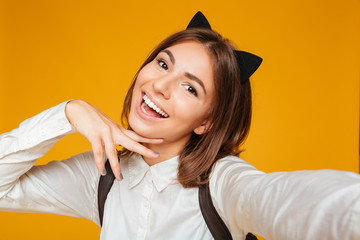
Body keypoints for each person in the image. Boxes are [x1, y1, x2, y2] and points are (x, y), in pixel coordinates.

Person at [0, 11, 359, 240]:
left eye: (190, 87)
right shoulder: (104, 176)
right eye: (162, 64)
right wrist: (69, 112)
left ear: (207, 121)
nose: (159, 86)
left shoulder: (222, 185)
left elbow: (294, 201)